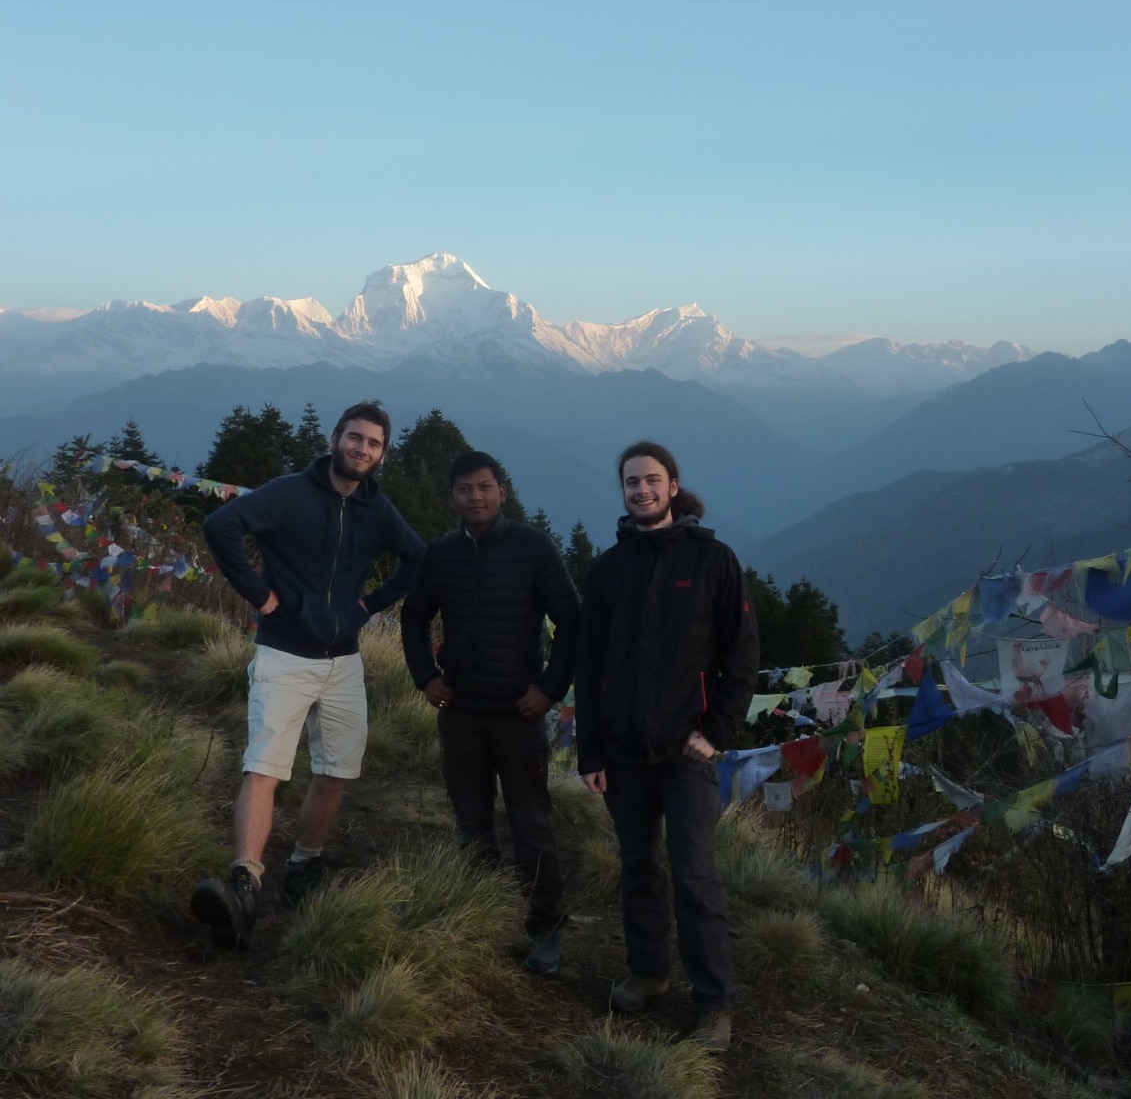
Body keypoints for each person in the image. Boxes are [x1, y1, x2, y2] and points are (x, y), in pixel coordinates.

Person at [191, 400, 424, 950]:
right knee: (264, 767)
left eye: (373, 443)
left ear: (382, 454)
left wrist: (371, 605)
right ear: (335, 438)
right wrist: (261, 596)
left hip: (344, 659)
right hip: (284, 653)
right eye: (355, 438)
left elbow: (417, 557)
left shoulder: (377, 509)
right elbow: (221, 525)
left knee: (335, 770)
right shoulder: (290, 492)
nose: (361, 449)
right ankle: (245, 884)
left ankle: (303, 864)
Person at [575, 441, 758, 1052]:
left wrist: (718, 733)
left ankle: (714, 1004)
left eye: (652, 480)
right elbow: (589, 665)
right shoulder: (609, 570)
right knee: (638, 867)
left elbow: (742, 655)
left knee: (694, 875)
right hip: (623, 750)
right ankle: (648, 972)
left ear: (673, 487)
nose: (642, 490)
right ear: (623, 491)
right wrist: (591, 751)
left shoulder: (713, 561)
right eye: (632, 482)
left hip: (686, 750)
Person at [401, 450, 579, 974]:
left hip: (519, 714)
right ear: (452, 497)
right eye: (464, 489)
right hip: (460, 712)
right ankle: (480, 915)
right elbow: (413, 618)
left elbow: (572, 620)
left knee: (531, 823)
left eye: (484, 487)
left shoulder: (533, 548)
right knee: (471, 819)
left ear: (502, 491)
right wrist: (425, 677)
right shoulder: (442, 554)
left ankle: (545, 929)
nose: (475, 497)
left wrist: (549, 689)